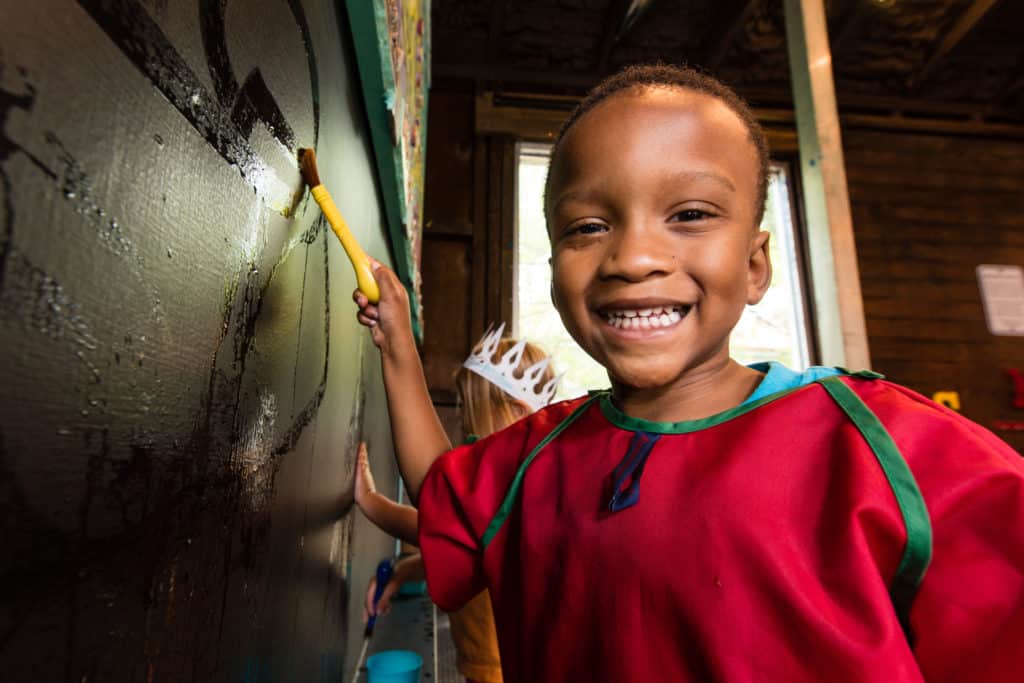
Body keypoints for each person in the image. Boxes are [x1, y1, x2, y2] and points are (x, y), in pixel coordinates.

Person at [356, 64, 1024, 682]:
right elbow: (442, 496)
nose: (635, 256)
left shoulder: (891, 450)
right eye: (587, 226)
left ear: (756, 264)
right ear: (554, 269)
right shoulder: (538, 454)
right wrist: (397, 347)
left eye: (690, 214)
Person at [352, 318, 556, 683]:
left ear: (518, 412)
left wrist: (370, 501)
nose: (461, 420)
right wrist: (408, 569)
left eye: (469, 409)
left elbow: (439, 523)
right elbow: (476, 551)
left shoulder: (521, 481)